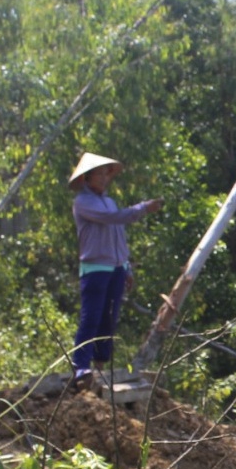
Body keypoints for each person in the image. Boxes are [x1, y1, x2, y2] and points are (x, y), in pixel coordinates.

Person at [68, 152, 162, 386]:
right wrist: (142, 209)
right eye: (98, 174)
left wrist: (126, 266)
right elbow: (113, 219)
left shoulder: (109, 201)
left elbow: (118, 235)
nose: (103, 178)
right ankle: (81, 366)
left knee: (109, 319)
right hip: (95, 268)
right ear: (87, 178)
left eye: (104, 174)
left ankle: (99, 366)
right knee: (91, 317)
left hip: (116, 267)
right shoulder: (83, 202)